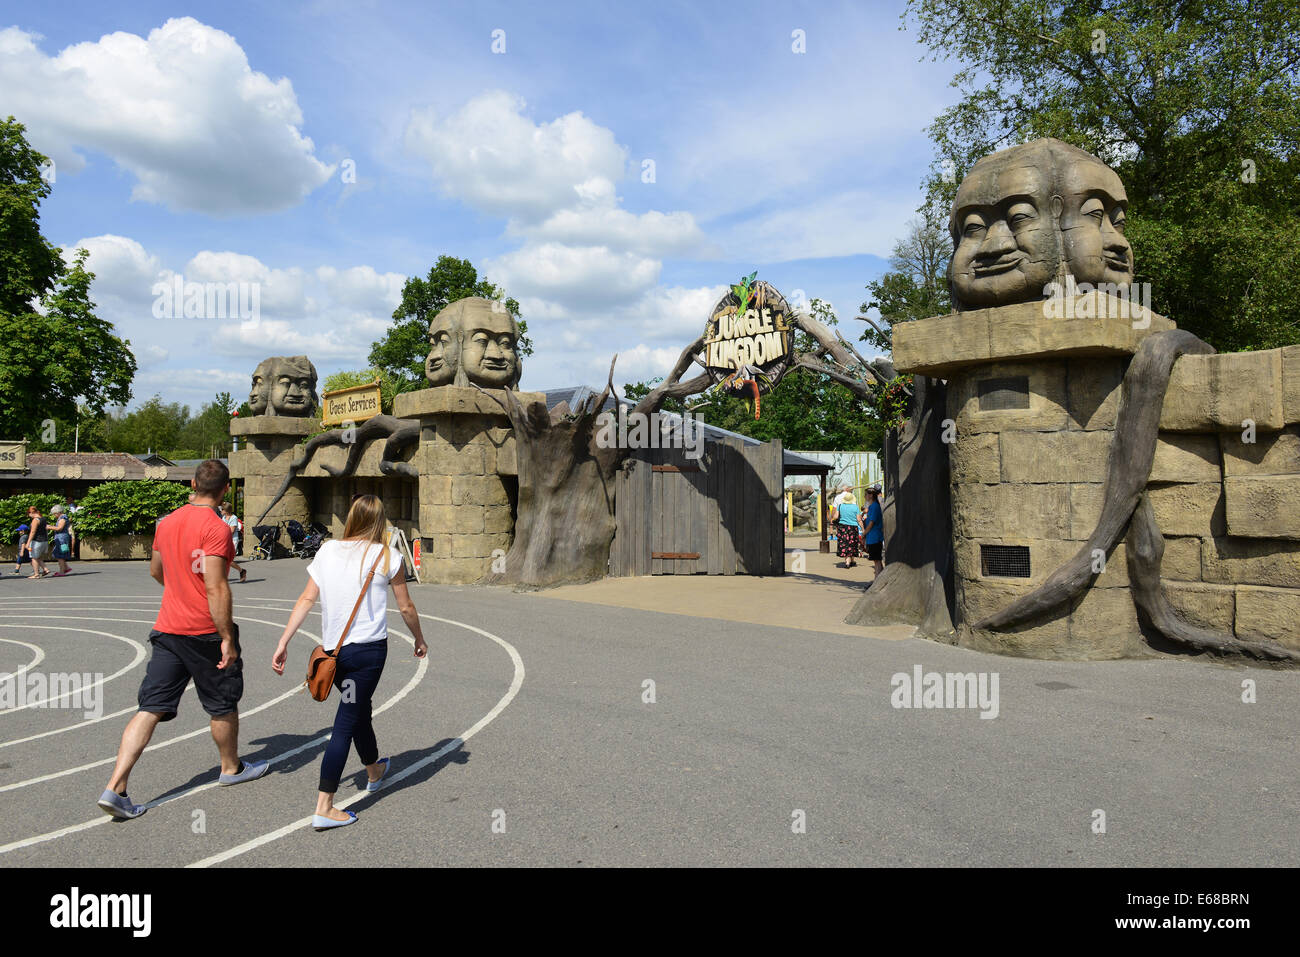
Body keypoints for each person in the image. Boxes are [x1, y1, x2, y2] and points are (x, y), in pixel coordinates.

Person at [97, 459, 268, 820]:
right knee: (222, 703)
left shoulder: (167, 522)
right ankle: (230, 768)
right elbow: (216, 585)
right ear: (224, 491)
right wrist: (227, 638)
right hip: (204, 631)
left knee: (149, 708)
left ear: (192, 483)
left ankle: (116, 786)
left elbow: (156, 570)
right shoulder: (217, 528)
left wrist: (178, 590)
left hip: (168, 629)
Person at [272, 494, 428, 831]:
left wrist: (284, 640)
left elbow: (306, 598)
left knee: (357, 709)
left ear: (352, 518)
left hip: (334, 652)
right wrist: (419, 638)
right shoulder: (389, 556)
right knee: (346, 721)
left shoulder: (327, 550)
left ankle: (374, 770)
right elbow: (406, 607)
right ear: (379, 521)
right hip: (367, 654)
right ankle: (324, 806)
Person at [833, 491, 864, 569]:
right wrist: (863, 528)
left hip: (842, 527)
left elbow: (836, 516)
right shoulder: (855, 507)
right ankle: (851, 560)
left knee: (845, 543)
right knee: (852, 544)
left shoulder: (840, 506)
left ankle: (847, 562)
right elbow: (859, 519)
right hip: (853, 528)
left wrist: (832, 520)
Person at [219, 502, 247, 584]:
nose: (220, 511)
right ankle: (223, 577)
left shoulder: (233, 518)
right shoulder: (223, 517)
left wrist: (221, 533)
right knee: (222, 559)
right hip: (224, 540)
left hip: (232, 541)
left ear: (226, 511)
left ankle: (241, 571)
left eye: (222, 510)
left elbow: (231, 531)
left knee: (228, 560)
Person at [862, 485, 885, 581]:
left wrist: (864, 533)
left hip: (875, 536)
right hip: (872, 537)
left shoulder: (874, 506)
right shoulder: (872, 506)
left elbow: (872, 522)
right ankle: (880, 578)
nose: (865, 497)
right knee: (876, 560)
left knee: (877, 560)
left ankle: (877, 580)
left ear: (871, 495)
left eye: (866, 495)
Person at [23, 506, 49, 579]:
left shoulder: (35, 520)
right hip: (44, 540)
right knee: (39, 557)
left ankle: (36, 574)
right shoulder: (43, 519)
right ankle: (45, 569)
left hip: (37, 541)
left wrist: (28, 543)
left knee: (34, 558)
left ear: (31, 512)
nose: (29, 516)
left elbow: (33, 532)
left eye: (28, 514)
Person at [47, 504, 73, 577]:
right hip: (61, 537)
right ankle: (66, 568)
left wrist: (49, 527)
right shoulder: (63, 517)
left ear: (58, 512)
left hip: (62, 538)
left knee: (60, 555)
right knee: (58, 553)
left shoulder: (62, 518)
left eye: (54, 514)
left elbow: (59, 528)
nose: (54, 515)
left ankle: (62, 571)